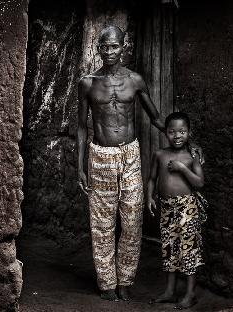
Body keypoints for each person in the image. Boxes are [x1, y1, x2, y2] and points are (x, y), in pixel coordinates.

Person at [77, 25, 167, 302]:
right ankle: (106, 283)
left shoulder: (135, 81)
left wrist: (188, 141)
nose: (109, 51)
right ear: (98, 48)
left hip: (130, 154)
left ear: (123, 47)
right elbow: (81, 126)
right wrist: (80, 166)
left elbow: (155, 118)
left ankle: (125, 280)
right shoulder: (88, 83)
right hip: (100, 156)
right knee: (101, 223)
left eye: (114, 46)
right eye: (104, 46)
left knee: (131, 219)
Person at [146, 112, 206, 309]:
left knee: (189, 250)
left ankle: (190, 294)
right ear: (166, 133)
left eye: (182, 131)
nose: (177, 135)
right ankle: (170, 291)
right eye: (172, 131)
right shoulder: (160, 154)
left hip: (187, 207)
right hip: (166, 207)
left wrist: (182, 168)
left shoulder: (192, 156)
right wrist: (149, 197)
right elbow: (152, 179)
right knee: (169, 249)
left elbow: (199, 183)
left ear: (189, 132)